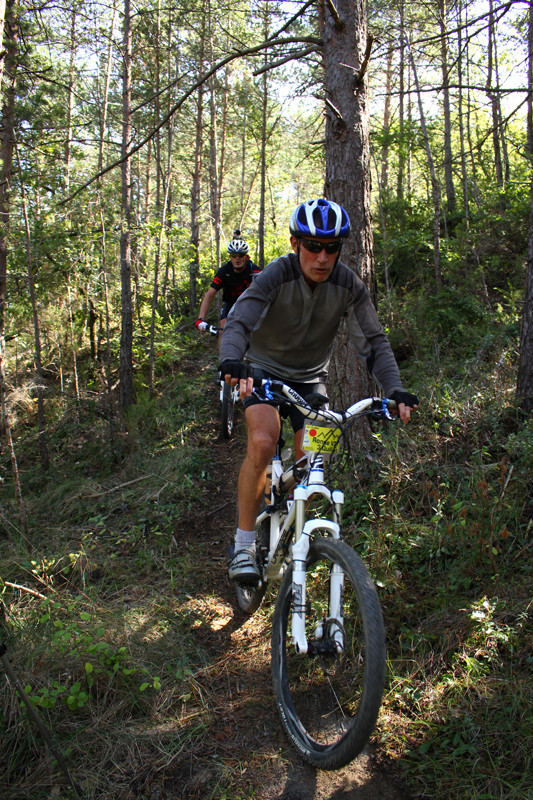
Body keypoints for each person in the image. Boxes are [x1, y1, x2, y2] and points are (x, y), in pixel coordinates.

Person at [218, 198, 419, 584]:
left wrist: (395, 389)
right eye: (313, 245)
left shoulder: (348, 285)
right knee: (262, 442)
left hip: (311, 380)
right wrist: (232, 360)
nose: (322, 257)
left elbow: (374, 343)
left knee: (315, 461)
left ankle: (292, 527)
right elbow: (240, 321)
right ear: (296, 244)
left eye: (331, 248)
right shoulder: (275, 275)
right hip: (262, 371)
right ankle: (244, 543)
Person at [195, 230, 260, 334]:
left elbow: (270, 291)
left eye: (241, 255)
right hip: (230, 303)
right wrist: (201, 318)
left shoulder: (255, 271)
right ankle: (223, 351)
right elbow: (209, 294)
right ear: (230, 257)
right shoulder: (224, 271)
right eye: (234, 256)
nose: (237, 259)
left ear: (246, 257)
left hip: (249, 303)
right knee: (223, 329)